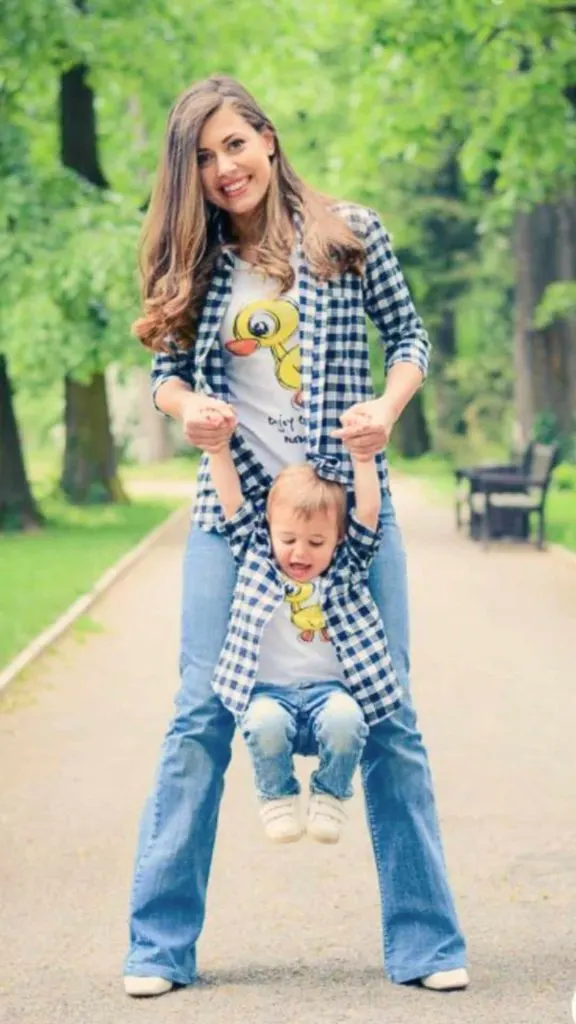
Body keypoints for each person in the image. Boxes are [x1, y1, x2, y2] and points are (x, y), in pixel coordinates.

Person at [123, 73, 469, 998]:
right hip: (231, 519)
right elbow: (164, 371)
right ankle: (156, 949)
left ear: (268, 140)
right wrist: (189, 403)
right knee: (199, 716)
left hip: (351, 513)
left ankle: (429, 944)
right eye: (202, 159)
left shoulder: (348, 234)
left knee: (390, 716)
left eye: (234, 144)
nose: (224, 168)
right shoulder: (195, 263)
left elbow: (410, 340)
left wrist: (385, 411)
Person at [207, 431, 402, 845]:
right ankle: (276, 796)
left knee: (348, 720)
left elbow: (368, 511)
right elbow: (231, 503)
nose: (300, 553)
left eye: (316, 542)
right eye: (289, 540)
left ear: (337, 539)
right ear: (270, 531)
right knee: (263, 724)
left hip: (329, 693)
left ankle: (331, 794)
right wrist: (218, 450)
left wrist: (363, 459)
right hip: (269, 694)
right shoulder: (257, 555)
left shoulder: (346, 567)